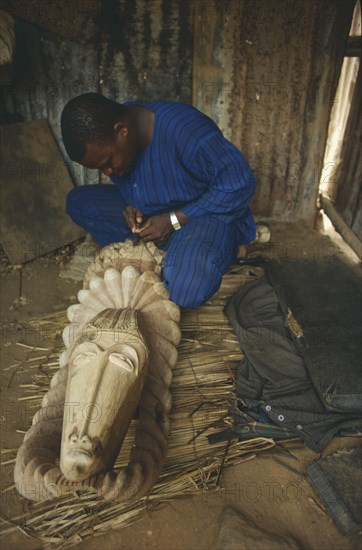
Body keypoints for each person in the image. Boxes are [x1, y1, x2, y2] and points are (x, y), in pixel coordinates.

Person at [61, 93, 256, 308]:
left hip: (202, 219)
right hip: (157, 219)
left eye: (108, 162)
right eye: (100, 168)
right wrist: (135, 204)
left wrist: (174, 220)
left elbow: (239, 182)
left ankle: (188, 258)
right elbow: (139, 183)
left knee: (187, 289)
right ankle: (157, 259)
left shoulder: (184, 129)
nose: (108, 171)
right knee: (79, 202)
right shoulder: (116, 131)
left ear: (122, 131)